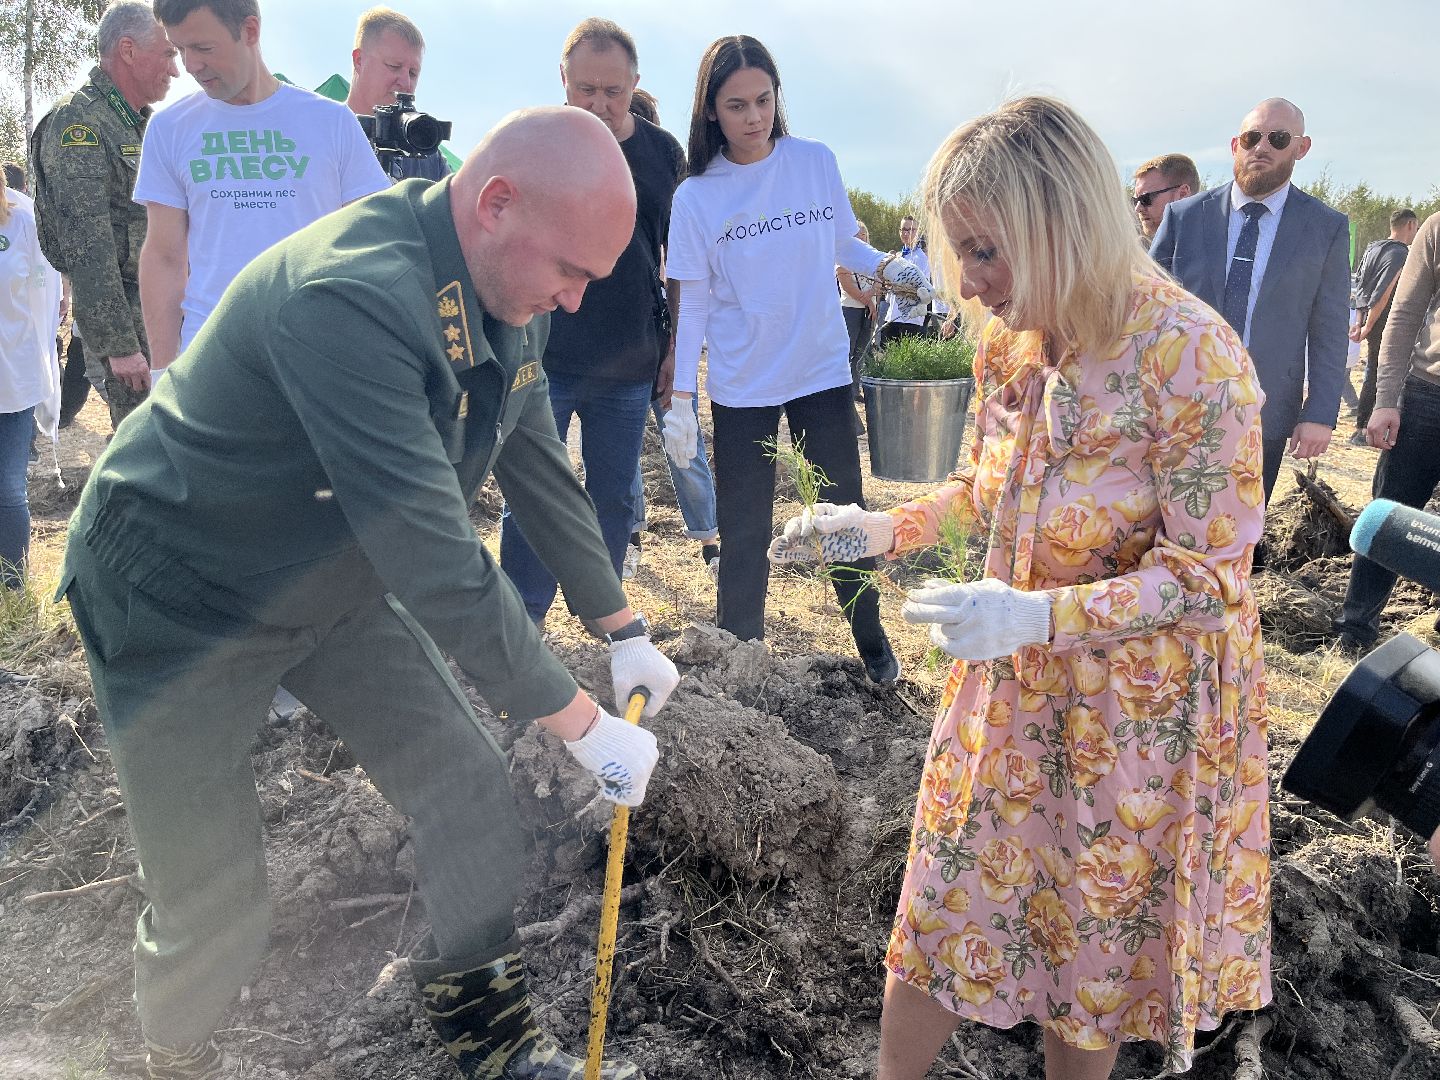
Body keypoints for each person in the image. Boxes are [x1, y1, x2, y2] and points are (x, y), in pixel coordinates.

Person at [60, 106, 678, 1080]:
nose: (575, 298)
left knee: (467, 784)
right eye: (572, 271)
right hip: (177, 592)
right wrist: (581, 723)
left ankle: (495, 1045)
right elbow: (436, 561)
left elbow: (530, 458)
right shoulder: (353, 299)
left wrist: (623, 625)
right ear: (498, 203)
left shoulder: (500, 293)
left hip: (317, 574)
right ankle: (169, 1058)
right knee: (213, 897)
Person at [776, 96, 1270, 1078]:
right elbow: (984, 486)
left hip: (1132, 721)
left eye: (988, 250)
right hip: (1009, 688)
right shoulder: (1011, 338)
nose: (969, 280)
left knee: (1082, 957)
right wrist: (883, 527)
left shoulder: (1193, 356)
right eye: (959, 249)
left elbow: (1211, 580)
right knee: (939, 908)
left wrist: (1041, 614)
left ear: (1062, 225)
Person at [663, 35, 930, 682]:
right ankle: (740, 660)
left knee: (843, 520)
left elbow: (845, 247)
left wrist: (896, 272)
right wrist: (679, 402)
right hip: (742, 385)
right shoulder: (697, 198)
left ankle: (874, 648)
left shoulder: (814, 162)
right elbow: (693, 304)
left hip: (820, 371)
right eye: (736, 106)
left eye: (763, 100)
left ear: (778, 97)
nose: (753, 117)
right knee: (746, 533)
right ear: (710, 112)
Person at [499, 18, 687, 623]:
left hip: (630, 355)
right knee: (530, 491)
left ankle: (600, 615)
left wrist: (675, 345)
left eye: (613, 90)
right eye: (586, 90)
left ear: (635, 83)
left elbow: (676, 259)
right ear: (564, 82)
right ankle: (523, 616)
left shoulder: (662, 154)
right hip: (545, 351)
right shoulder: (537, 142)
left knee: (613, 496)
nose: (600, 104)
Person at [138, 0, 389, 378]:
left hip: (316, 358)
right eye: (180, 49)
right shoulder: (170, 128)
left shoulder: (332, 122)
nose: (191, 65)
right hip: (211, 360)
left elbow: (374, 243)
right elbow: (163, 255)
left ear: (250, 31)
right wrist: (162, 368)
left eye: (203, 48)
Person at [1151, 98, 1349, 503]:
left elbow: (1329, 326)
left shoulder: (1325, 228)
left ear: (1301, 148)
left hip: (1266, 410)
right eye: (1251, 137)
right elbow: (1143, 309)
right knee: (1160, 520)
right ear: (1234, 145)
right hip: (1176, 402)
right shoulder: (1183, 218)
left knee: (1241, 534)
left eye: (1277, 139)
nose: (1261, 147)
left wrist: (1320, 413)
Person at [30, 1, 177, 429]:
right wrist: (117, 344)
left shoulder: (140, 124)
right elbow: (85, 242)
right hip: (130, 325)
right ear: (128, 50)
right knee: (148, 447)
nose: (175, 69)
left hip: (158, 312)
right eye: (168, 54)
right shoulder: (79, 122)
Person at [620, 85, 721, 583]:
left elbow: (675, 259)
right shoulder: (667, 173)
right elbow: (677, 267)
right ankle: (708, 540)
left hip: (639, 330)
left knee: (631, 446)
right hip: (660, 326)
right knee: (682, 440)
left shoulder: (658, 167)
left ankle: (635, 536)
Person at [1333, 211, 1440, 653]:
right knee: (1391, 516)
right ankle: (1354, 629)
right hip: (1427, 395)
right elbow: (1404, 313)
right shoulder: (1436, 228)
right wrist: (1386, 399)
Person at [0, 172, 62, 587]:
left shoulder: (21, 220)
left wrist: (46, 359)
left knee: (7, 490)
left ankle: (12, 585)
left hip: (12, 377)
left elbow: (46, 292)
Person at [344, 6, 451, 181]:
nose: (406, 82)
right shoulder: (323, 133)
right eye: (394, 66)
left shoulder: (430, 159)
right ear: (359, 61)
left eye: (413, 73)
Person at [1348, 208, 1419, 443]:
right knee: (1386, 374)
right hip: (1386, 323)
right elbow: (1383, 292)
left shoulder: (1372, 248)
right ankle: (1367, 429)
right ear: (1410, 225)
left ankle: (1361, 426)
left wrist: (1360, 322)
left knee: (1373, 372)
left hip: (1369, 320)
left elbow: (1361, 288)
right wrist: (1369, 325)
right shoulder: (1401, 254)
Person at [880, 214, 932, 345]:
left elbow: (915, 286)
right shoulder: (897, 257)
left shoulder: (921, 258)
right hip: (892, 317)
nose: (906, 233)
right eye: (904, 229)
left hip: (911, 319)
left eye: (911, 230)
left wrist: (894, 283)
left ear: (918, 232)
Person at [1131, 153, 1199, 242]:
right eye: (1136, 201)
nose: (1138, 209)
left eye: (1146, 199)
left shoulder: (1216, 246)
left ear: (1183, 194)